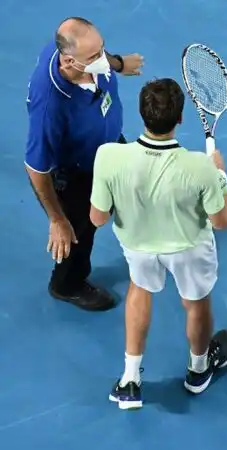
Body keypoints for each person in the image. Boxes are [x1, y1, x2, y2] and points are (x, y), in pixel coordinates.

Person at [89, 77, 227, 410]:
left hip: (138, 246)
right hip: (189, 249)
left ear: (142, 115)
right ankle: (198, 371)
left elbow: (97, 218)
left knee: (139, 290)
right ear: (180, 119)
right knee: (196, 304)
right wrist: (221, 176)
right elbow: (222, 221)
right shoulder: (201, 166)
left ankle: (129, 381)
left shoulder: (108, 157)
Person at [24, 17, 144, 312]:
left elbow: (98, 54)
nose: (101, 59)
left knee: (130, 191)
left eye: (101, 50)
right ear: (68, 61)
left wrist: (118, 63)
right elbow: (36, 168)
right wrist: (57, 219)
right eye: (94, 57)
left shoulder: (85, 57)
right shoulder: (50, 105)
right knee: (81, 230)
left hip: (110, 146)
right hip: (78, 172)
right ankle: (68, 284)